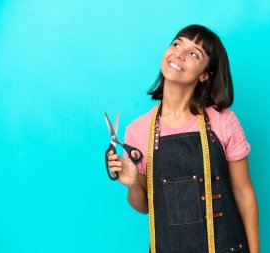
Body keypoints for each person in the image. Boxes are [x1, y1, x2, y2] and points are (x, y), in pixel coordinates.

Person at [107, 24, 259, 253]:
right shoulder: (138, 130)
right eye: (177, 44)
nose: (179, 53)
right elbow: (145, 206)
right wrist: (132, 185)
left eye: (194, 53)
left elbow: (244, 193)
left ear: (205, 74)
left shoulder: (223, 121)